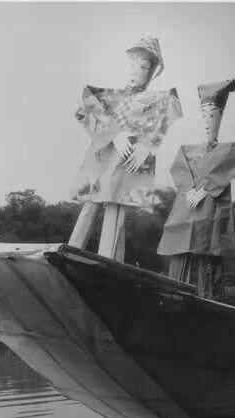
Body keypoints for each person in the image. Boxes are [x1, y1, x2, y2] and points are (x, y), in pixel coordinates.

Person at [69, 36, 182, 260]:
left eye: (143, 66)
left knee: (115, 211)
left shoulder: (155, 100)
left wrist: (148, 145)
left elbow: (173, 106)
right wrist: (114, 134)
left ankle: (107, 263)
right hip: (102, 162)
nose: (135, 71)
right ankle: (70, 254)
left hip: (127, 165)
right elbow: (83, 108)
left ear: (152, 72)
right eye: (132, 64)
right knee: (89, 207)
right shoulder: (111, 97)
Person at [157, 80, 235, 298]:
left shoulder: (229, 150)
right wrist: (189, 189)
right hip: (185, 212)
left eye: (213, 115)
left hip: (210, 215)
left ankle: (208, 298)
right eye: (205, 115)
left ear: (220, 117)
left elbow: (230, 167)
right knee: (180, 259)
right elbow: (178, 169)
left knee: (208, 259)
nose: (208, 120)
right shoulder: (187, 150)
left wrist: (204, 189)